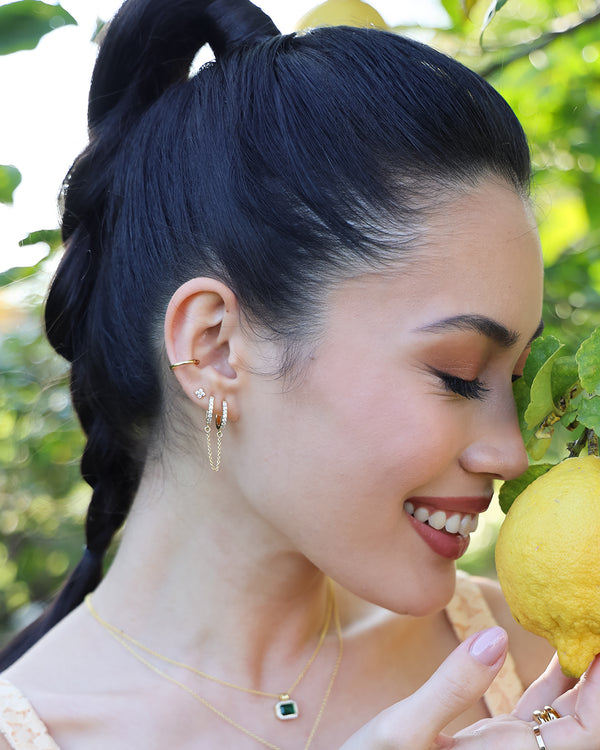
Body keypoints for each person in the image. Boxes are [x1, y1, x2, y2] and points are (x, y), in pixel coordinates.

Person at [1, 0, 599, 747]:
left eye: (511, 380)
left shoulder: (547, 670)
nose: (509, 455)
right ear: (216, 348)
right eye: (454, 374)